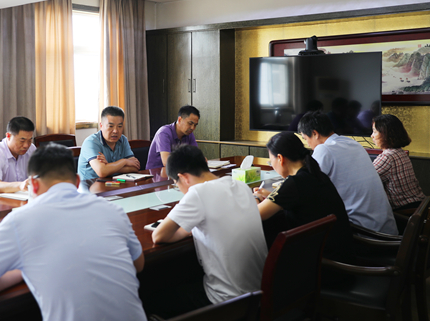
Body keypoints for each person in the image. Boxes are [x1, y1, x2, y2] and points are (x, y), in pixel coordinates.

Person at [0, 144, 146, 321]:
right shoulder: (113, 210)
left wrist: (23, 270)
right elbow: (138, 264)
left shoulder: (20, 220)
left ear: (33, 184)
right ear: (77, 181)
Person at [151, 145, 267, 318]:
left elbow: (159, 235)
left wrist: (186, 230)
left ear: (183, 177)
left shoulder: (198, 193)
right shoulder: (240, 185)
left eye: (176, 184)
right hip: (260, 295)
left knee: (153, 297)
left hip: (227, 301)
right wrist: (190, 229)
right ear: (205, 162)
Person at [253, 132, 355, 265]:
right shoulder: (315, 174)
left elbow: (256, 214)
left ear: (280, 158)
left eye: (270, 161)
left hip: (323, 264)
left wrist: (255, 197)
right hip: (340, 255)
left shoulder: (294, 183)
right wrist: (269, 196)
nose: (271, 164)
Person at [298, 111, 398, 235]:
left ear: (314, 134)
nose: (307, 144)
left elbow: (306, 186)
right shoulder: (353, 143)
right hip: (387, 230)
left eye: (305, 139)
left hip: (364, 234)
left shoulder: (324, 149)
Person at [371, 114, 426, 210]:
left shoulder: (387, 157)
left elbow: (364, 182)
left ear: (386, 134)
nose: (372, 136)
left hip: (405, 210)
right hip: (420, 204)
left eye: (375, 131)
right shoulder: (400, 152)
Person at [77, 106, 139, 180]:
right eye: (111, 126)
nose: (115, 131)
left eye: (119, 126)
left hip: (113, 183)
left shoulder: (123, 140)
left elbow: (135, 167)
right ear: (101, 126)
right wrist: (124, 162)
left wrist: (108, 166)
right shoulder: (91, 142)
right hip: (90, 185)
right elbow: (102, 171)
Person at [146, 105, 200, 169]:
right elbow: (167, 162)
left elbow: (197, 156)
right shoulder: (164, 133)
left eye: (195, 125)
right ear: (180, 120)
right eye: (190, 123)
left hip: (178, 171)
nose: (192, 128)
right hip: (156, 173)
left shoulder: (189, 134)